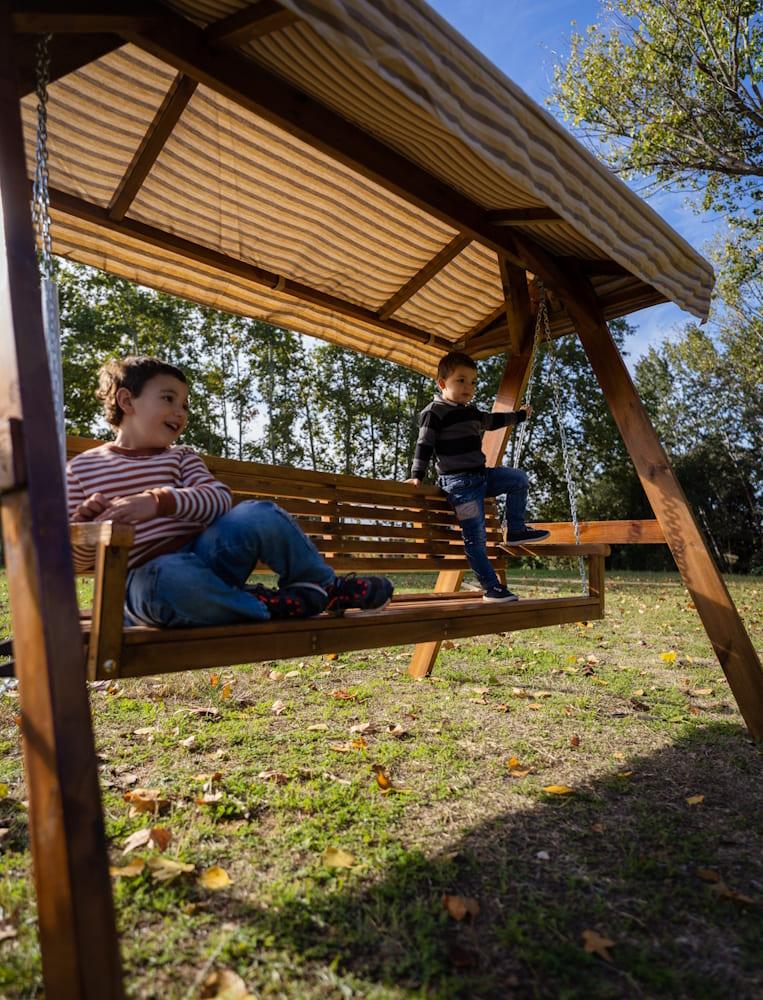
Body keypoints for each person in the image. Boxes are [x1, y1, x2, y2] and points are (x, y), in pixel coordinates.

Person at [67, 356, 393, 627]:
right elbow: (71, 560)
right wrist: (88, 528)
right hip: (142, 581)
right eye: (168, 398)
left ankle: (324, 587)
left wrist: (158, 502)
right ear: (127, 401)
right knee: (170, 576)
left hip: (207, 558)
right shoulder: (83, 470)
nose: (181, 412)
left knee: (258, 513)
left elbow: (218, 499)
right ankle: (262, 605)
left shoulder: (181, 457)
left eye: (185, 404)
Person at [405, 351, 549, 603]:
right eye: (461, 380)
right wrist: (417, 475)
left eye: (473, 382)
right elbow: (424, 444)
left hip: (482, 477)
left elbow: (493, 421)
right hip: (460, 487)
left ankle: (514, 529)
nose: (468, 387)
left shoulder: (470, 412)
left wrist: (521, 416)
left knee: (518, 479)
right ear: (442, 383)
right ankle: (491, 588)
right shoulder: (435, 412)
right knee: (476, 537)